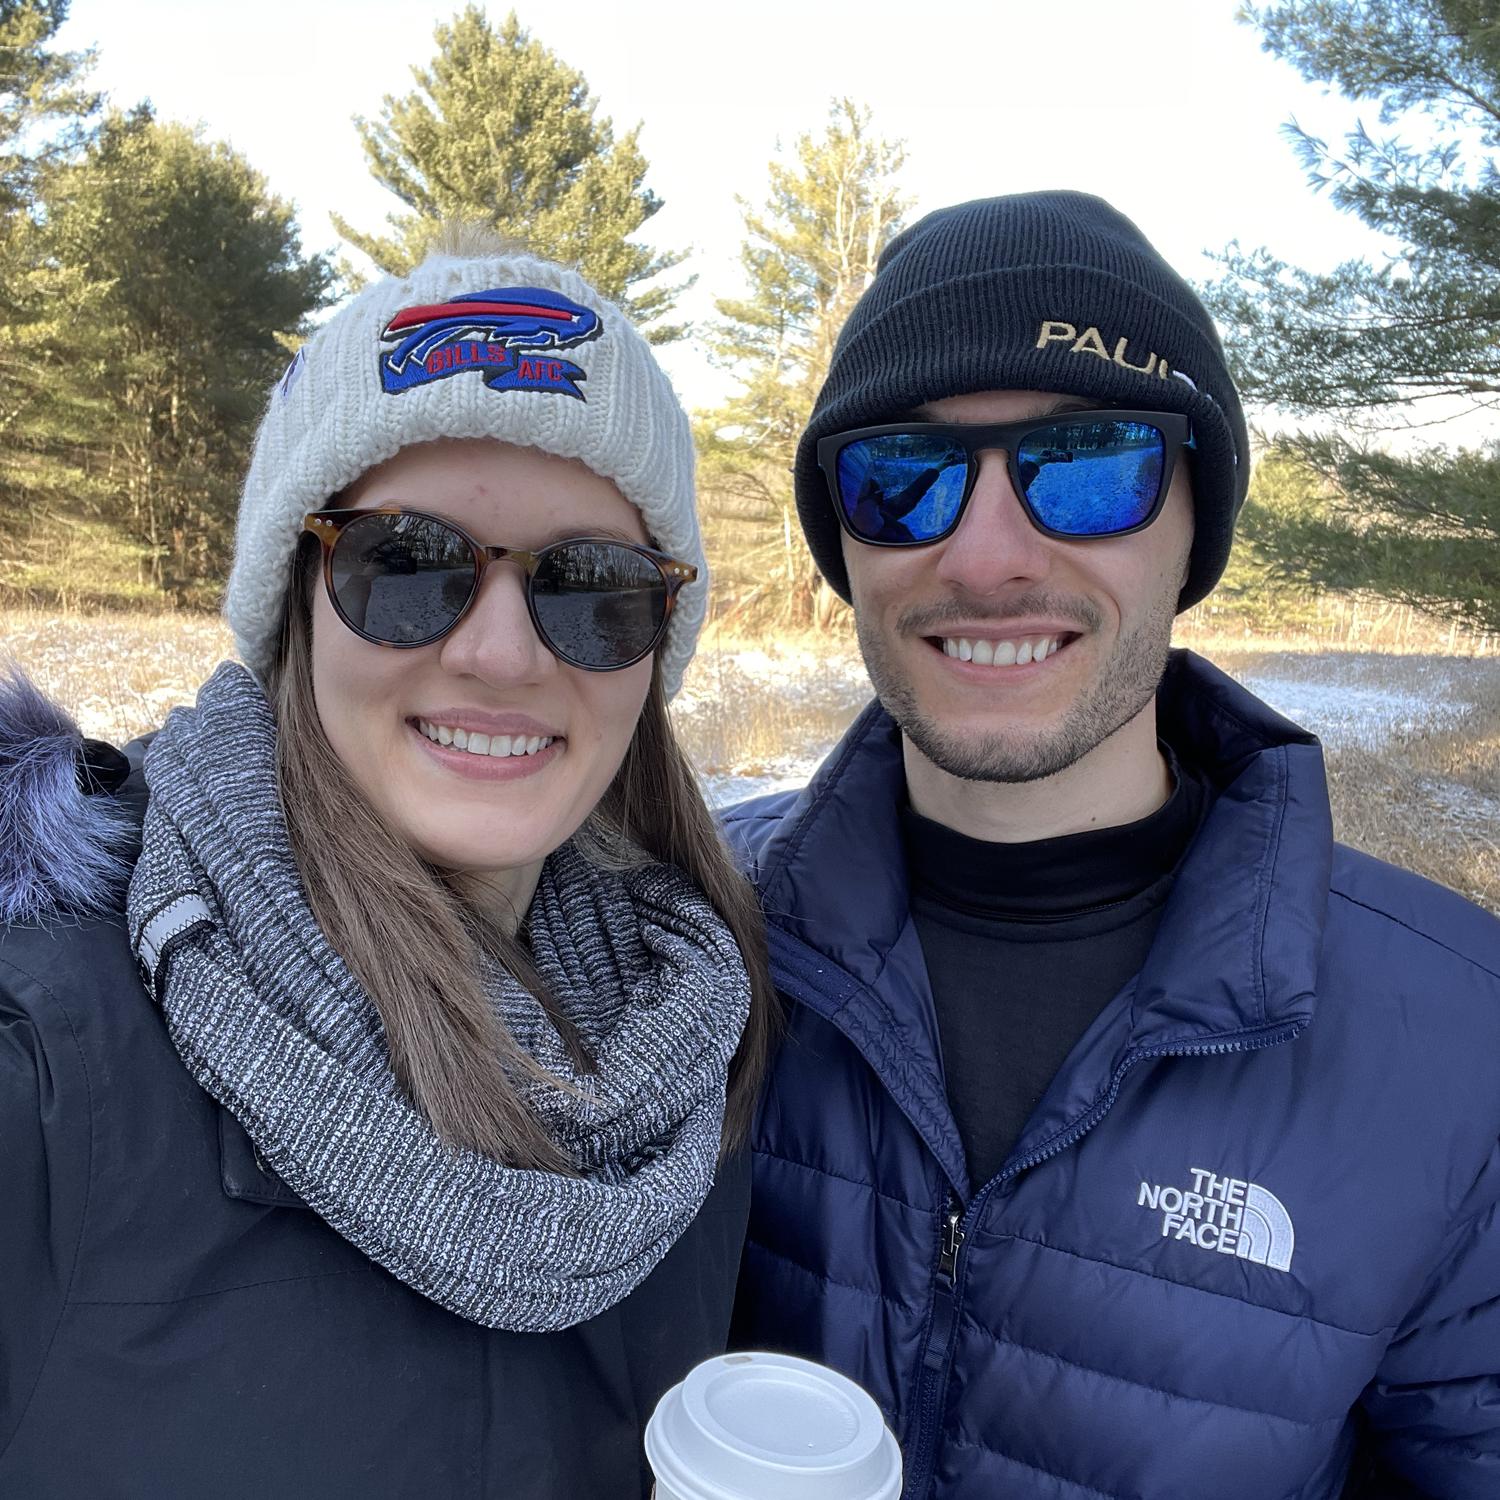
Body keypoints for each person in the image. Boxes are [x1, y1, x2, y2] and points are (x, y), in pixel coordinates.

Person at [725, 193, 1500, 1498]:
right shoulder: (680, 927)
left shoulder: (1461, 1044)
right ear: (842, 544)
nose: (983, 556)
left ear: (1196, 524)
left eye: (1086, 466)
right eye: (898, 478)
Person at [0, 229, 775, 1499]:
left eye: (594, 587)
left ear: (655, 647)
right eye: (406, 564)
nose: (504, 655)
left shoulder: (694, 1053)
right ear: (292, 606)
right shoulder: (38, 1061)